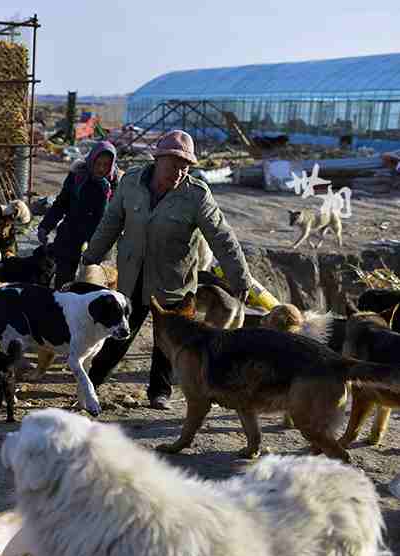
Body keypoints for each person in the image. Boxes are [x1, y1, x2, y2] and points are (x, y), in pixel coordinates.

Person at [80, 130, 251, 410]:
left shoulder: (196, 195)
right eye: (174, 164)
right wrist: (92, 255)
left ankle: (160, 392)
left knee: (169, 341)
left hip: (174, 279)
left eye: (185, 166)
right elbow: (111, 222)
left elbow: (222, 237)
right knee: (119, 330)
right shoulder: (131, 183)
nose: (180, 171)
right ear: (157, 159)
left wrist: (239, 277)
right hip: (133, 274)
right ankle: (92, 381)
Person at [37, 141, 118, 289]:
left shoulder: (115, 184)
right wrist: (45, 226)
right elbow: (61, 203)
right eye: (98, 163)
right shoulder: (77, 176)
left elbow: (114, 217)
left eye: (106, 165)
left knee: (92, 285)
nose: (101, 168)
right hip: (70, 237)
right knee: (63, 285)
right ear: (91, 160)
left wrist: (105, 195)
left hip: (98, 242)